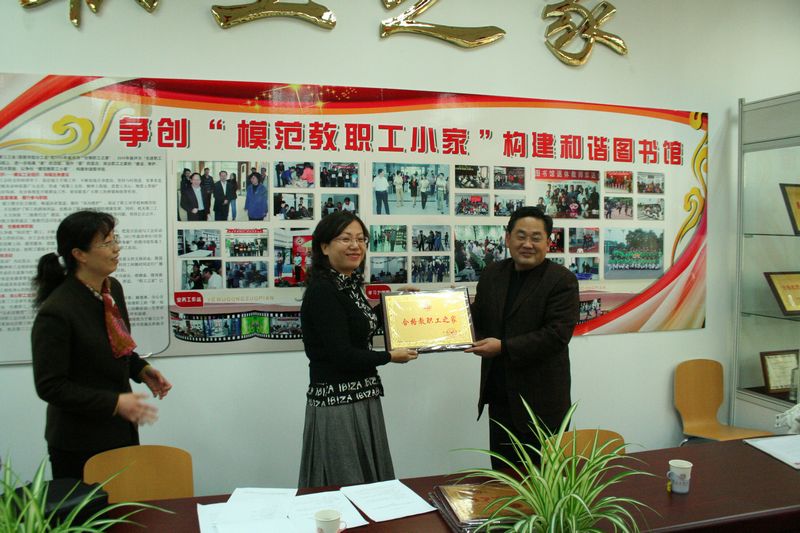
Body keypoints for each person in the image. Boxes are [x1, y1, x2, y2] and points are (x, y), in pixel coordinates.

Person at [31, 210, 172, 479]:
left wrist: (141, 370)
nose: (116, 248)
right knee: (93, 508)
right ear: (79, 254)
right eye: (106, 243)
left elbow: (116, 346)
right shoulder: (57, 310)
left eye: (115, 239)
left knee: (126, 504)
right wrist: (115, 403)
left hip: (120, 432)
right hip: (78, 442)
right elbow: (50, 386)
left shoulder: (111, 289)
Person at [298, 211, 417, 488]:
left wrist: (395, 304)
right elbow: (342, 355)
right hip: (338, 404)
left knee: (368, 486)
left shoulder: (348, 284)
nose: (355, 246)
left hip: (362, 396)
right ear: (324, 247)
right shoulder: (323, 291)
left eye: (361, 239)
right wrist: (389, 356)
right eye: (345, 239)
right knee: (345, 485)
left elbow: (360, 327)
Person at [465, 206, 579, 468]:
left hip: (542, 405)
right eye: (520, 236)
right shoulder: (493, 274)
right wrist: (430, 305)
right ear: (507, 238)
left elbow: (556, 335)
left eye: (536, 238)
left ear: (548, 243)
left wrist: (503, 348)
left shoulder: (561, 280)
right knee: (504, 478)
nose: (527, 244)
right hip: (500, 399)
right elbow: (476, 318)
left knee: (544, 481)